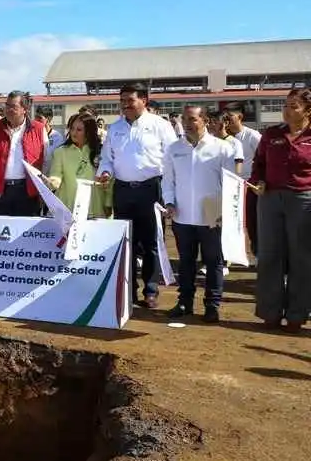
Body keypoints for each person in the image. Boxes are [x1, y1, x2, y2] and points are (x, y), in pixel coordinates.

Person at [97, 83, 178, 310]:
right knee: (126, 241)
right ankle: (128, 290)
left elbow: (172, 159)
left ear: (144, 100)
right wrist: (105, 172)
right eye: (122, 100)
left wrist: (171, 192)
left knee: (151, 241)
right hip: (122, 190)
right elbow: (107, 158)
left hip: (151, 189)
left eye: (130, 100)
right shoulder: (115, 128)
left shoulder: (160, 126)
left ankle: (150, 290)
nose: (125, 105)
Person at [161, 105, 239, 323]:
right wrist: (169, 201)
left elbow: (230, 184)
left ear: (205, 120)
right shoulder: (174, 148)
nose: (187, 123)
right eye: (185, 119)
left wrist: (225, 211)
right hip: (182, 214)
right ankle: (185, 301)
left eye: (193, 119)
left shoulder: (222, 148)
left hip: (212, 214)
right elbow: (168, 180)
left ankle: (212, 305)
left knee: (213, 262)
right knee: (186, 262)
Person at [249, 89, 311, 333]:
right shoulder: (272, 134)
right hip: (270, 199)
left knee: (301, 258)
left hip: (303, 200)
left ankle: (297, 314)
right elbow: (259, 163)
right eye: (285, 105)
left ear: (308, 110)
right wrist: (259, 180)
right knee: (269, 255)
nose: (286, 110)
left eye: (293, 106)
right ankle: (269, 312)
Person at [0, 91, 48, 217]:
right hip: (0, 190)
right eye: (7, 105)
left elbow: (47, 160)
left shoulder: (38, 128)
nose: (9, 109)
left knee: (25, 231)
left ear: (24, 109)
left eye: (13, 107)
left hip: (28, 191)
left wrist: (45, 188)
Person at [46, 113, 111, 216]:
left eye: (79, 130)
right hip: (68, 209)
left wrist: (108, 204)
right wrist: (51, 182)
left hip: (95, 209)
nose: (73, 133)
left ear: (89, 132)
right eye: (72, 129)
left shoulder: (102, 151)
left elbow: (108, 182)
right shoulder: (60, 152)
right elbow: (56, 176)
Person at [223, 105, 262, 259]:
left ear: (240, 117)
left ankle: (258, 254)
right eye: (225, 119)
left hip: (249, 185)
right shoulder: (224, 138)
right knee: (229, 223)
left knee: (252, 222)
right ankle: (229, 256)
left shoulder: (252, 136)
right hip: (229, 185)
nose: (227, 122)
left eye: (230, 118)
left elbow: (264, 158)